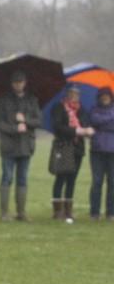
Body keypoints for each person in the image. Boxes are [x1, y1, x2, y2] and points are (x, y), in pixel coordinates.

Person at [0, 69, 41, 221]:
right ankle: (4, 213)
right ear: (12, 84)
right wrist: (15, 128)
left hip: (26, 146)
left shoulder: (32, 100)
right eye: (15, 82)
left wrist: (25, 120)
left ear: (25, 83)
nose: (18, 85)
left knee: (23, 178)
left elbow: (38, 120)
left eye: (20, 82)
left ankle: (21, 212)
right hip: (8, 146)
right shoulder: (3, 100)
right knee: (7, 177)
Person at [49, 84, 94, 223]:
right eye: (71, 93)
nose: (74, 96)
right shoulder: (59, 108)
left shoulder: (82, 110)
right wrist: (76, 131)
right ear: (67, 94)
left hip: (78, 148)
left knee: (72, 180)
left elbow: (85, 124)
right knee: (61, 177)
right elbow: (58, 127)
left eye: (76, 94)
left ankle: (68, 210)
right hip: (63, 147)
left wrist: (87, 131)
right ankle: (57, 211)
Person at [88, 87, 114, 220]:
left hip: (112, 152)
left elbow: (102, 124)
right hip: (97, 151)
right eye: (102, 96)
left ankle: (111, 213)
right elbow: (94, 120)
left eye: (107, 96)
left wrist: (102, 124)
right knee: (97, 182)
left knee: (112, 183)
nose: (105, 98)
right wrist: (110, 117)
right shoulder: (94, 109)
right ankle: (94, 212)